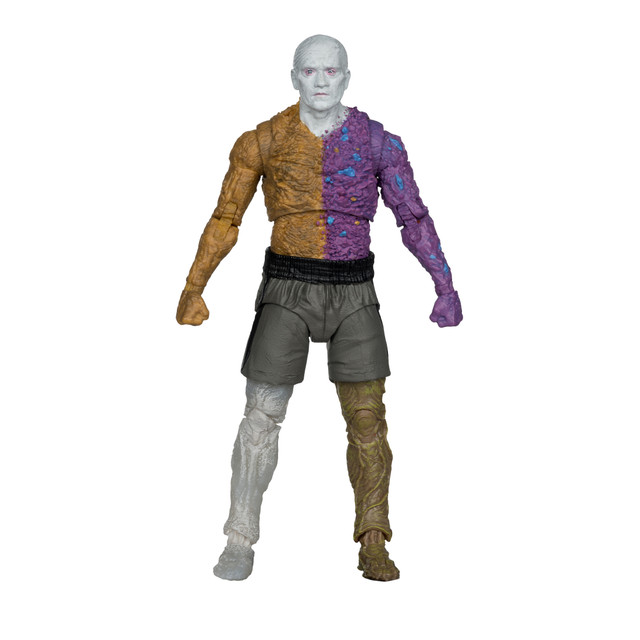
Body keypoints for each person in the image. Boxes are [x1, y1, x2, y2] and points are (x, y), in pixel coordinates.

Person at [176, 34, 462, 581]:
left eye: (332, 71)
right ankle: (239, 538)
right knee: (260, 416)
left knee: (368, 420)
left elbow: (412, 217)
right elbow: (226, 216)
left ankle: (373, 539)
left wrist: (443, 284)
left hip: (353, 290)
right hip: (287, 287)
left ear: (346, 77)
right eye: (311, 71)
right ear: (295, 77)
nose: (322, 81)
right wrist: (195, 286)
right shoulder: (263, 140)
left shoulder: (378, 143)